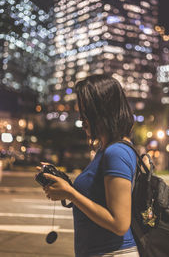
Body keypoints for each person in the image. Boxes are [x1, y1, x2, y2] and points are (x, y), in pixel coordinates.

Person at [38, 74, 139, 257]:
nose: (82, 119)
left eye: (87, 113)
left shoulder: (116, 152)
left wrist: (71, 194)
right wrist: (66, 185)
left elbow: (119, 223)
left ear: (104, 111)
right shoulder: (106, 150)